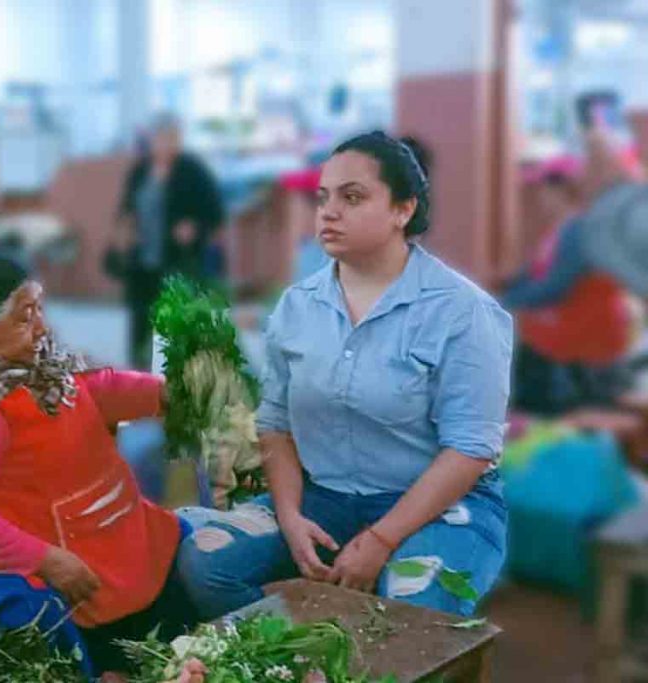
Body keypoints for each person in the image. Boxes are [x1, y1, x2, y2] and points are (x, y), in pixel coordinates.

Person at [176, 131, 513, 619]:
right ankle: (294, 650)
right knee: (206, 562)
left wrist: (381, 539)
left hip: (440, 507)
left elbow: (470, 449)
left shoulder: (461, 311)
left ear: (403, 210)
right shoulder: (297, 306)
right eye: (323, 198)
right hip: (326, 498)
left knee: (411, 610)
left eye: (352, 198)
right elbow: (275, 423)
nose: (328, 213)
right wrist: (290, 516)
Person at [0, 253, 196, 680]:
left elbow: (94, 390)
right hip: (43, 560)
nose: (42, 328)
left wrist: (164, 394)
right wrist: (48, 560)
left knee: (185, 560)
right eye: (24, 317)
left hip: (107, 530)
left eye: (39, 310)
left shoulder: (39, 367)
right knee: (48, 620)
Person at [500, 157, 635, 415]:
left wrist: (505, 302)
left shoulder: (579, 230)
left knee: (567, 423)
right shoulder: (561, 230)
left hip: (581, 354)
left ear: (561, 189)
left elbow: (556, 287)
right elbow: (531, 277)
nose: (539, 196)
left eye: (543, 188)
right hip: (562, 347)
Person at [115, 113, 225, 368]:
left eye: (173, 138)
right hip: (141, 261)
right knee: (140, 320)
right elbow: (126, 207)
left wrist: (194, 228)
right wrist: (127, 226)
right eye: (162, 138)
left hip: (178, 260)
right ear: (152, 140)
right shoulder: (141, 171)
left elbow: (215, 213)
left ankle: (174, 374)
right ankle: (139, 373)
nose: (167, 144)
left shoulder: (192, 171)